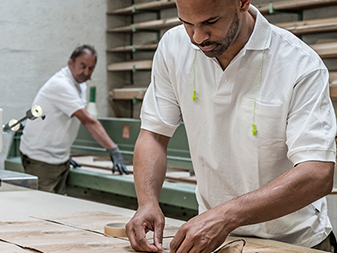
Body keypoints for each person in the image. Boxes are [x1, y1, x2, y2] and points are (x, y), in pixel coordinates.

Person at [125, 0, 337, 252]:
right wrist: (147, 202)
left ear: (243, 2)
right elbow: (154, 134)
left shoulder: (299, 64)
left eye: (210, 22)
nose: (198, 37)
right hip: (214, 241)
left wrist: (225, 216)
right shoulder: (174, 48)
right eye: (187, 23)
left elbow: (317, 174)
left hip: (292, 241)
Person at [20, 44, 128, 194]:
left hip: (58, 158)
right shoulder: (61, 84)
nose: (86, 72)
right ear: (70, 63)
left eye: (91, 68)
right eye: (82, 66)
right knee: (43, 209)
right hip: (41, 159)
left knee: (57, 206)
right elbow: (88, 121)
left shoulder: (80, 85)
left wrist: (63, 153)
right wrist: (113, 149)